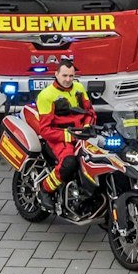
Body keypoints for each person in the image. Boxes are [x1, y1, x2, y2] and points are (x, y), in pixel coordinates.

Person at [33, 57, 97, 210]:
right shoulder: (46, 96)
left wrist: (88, 126)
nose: (68, 79)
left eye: (71, 76)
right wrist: (69, 136)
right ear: (56, 74)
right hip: (59, 138)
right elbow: (45, 130)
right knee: (69, 163)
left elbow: (90, 112)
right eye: (64, 76)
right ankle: (45, 190)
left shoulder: (79, 89)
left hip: (82, 135)